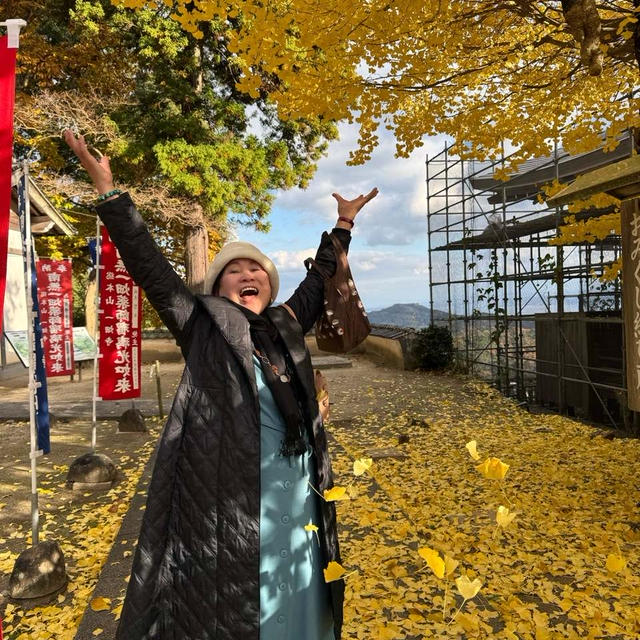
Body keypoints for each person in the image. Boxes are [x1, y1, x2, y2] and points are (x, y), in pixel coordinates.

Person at [64, 130, 378, 640]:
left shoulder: (284, 324)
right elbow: (152, 269)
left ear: (270, 285)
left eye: (257, 268)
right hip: (228, 489)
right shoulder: (201, 323)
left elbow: (320, 280)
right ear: (217, 285)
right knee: (240, 589)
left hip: (295, 485)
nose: (248, 273)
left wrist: (343, 223)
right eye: (235, 269)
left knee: (298, 573)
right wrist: (109, 194)